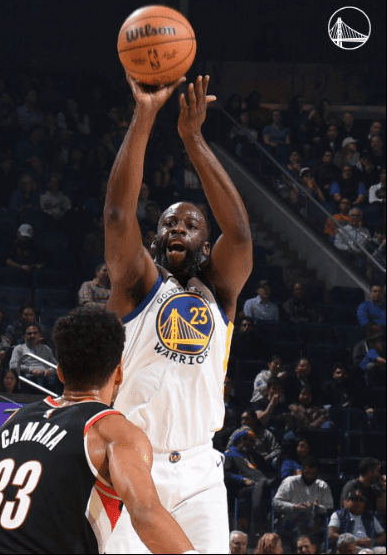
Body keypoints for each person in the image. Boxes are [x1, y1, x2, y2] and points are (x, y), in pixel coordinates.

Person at [104, 74, 253, 554]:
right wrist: (144, 115)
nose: (178, 228)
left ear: (205, 247)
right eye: (169, 222)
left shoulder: (219, 292)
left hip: (199, 470)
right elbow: (117, 217)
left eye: (191, 225)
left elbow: (241, 234)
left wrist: (193, 138)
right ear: (155, 240)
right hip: (133, 460)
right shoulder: (137, 285)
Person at [0, 305, 196, 554]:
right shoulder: (111, 430)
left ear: (60, 373)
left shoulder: (14, 419)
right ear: (119, 373)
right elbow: (145, 512)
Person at [273, 457, 334, 539]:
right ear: (302, 470)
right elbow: (275, 503)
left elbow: (329, 509)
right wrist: (294, 506)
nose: (310, 476)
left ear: (317, 473)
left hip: (313, 524)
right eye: (307, 473)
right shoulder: (290, 482)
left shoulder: (323, 485)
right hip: (289, 522)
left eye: (313, 474)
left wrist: (317, 507)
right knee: (302, 514)